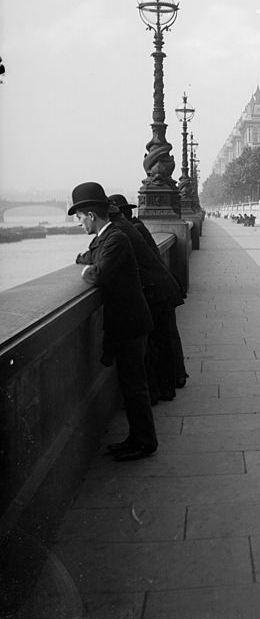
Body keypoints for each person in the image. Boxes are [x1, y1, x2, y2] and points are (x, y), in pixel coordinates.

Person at [69, 182, 157, 461]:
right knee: (130, 386)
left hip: (131, 324)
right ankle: (136, 438)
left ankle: (145, 443)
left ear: (91, 215)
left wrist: (86, 271)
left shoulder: (116, 238)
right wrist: (87, 261)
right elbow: (92, 256)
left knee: (135, 387)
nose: (79, 223)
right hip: (127, 322)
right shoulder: (107, 237)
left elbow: (99, 273)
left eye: (80, 217)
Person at [105, 194, 185, 400]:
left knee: (158, 342)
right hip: (162, 286)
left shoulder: (124, 230)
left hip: (156, 290)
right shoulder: (134, 226)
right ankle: (173, 381)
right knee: (166, 338)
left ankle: (164, 389)